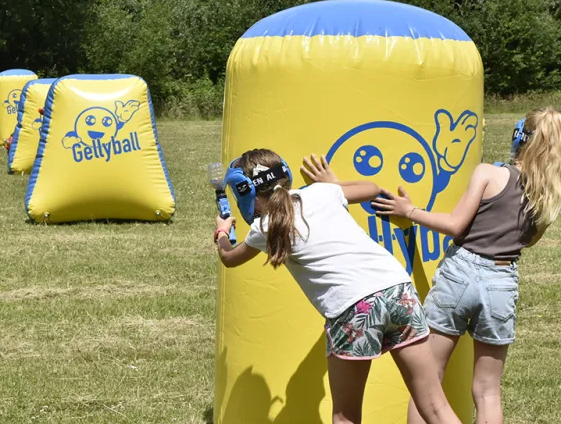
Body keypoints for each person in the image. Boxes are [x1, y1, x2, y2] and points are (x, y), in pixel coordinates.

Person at [214, 149, 461, 424]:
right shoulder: (323, 192)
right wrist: (333, 183)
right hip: (398, 289)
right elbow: (372, 188)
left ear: (245, 192)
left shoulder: (265, 226)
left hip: (353, 307)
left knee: (345, 417)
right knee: (435, 406)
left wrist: (222, 231)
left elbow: (228, 258)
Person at [373, 107, 561, 424]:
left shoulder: (489, 173)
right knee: (488, 391)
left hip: (460, 274)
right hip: (502, 280)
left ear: (519, 137)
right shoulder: (548, 194)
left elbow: (456, 225)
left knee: (428, 383)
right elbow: (528, 241)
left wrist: (410, 210)